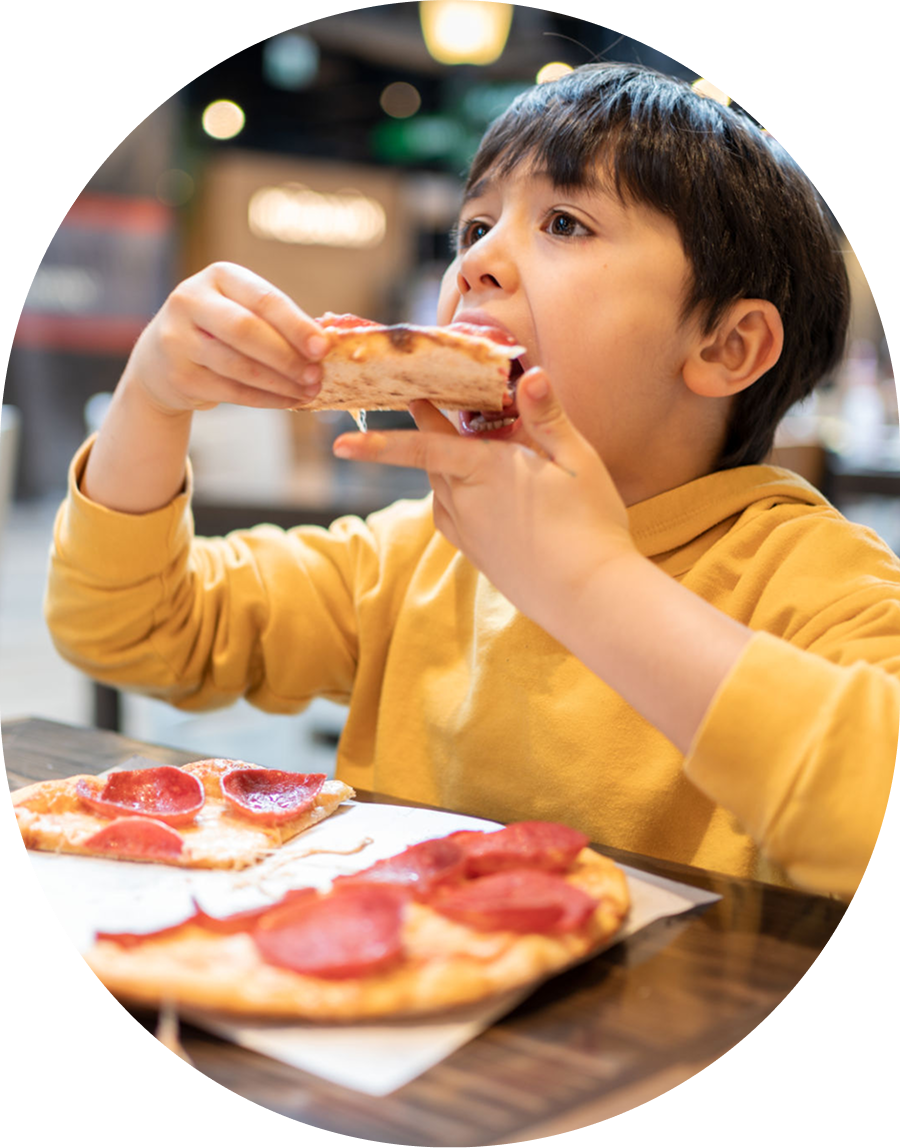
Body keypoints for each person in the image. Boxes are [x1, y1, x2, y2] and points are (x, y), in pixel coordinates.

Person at [44, 63, 899, 900]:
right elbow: (130, 630)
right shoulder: (414, 555)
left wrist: (591, 583)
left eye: (564, 223)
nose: (478, 264)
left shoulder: (812, 580)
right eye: (476, 226)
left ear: (725, 348)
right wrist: (151, 399)